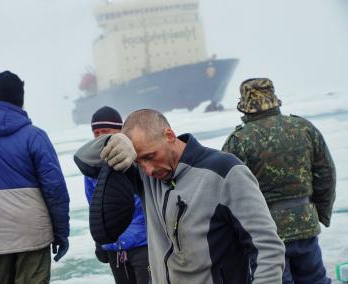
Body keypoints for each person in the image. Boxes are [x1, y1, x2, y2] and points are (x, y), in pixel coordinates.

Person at [74, 109, 285, 284]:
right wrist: (112, 141)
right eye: (139, 162)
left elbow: (267, 247)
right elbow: (85, 161)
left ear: (169, 135)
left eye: (150, 156)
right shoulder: (145, 178)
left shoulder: (225, 173)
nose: (148, 170)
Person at [0, 71, 70, 284]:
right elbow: (54, 189)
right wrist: (61, 232)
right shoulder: (34, 136)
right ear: (20, 98)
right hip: (33, 234)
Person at [222, 78, 336, 284]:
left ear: (245, 105)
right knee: (315, 280)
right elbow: (326, 175)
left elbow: (227, 191)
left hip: (264, 232)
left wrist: (235, 234)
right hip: (305, 224)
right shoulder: (304, 128)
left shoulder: (238, 141)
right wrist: (319, 214)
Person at [85, 106, 150, 284]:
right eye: (96, 132)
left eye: (106, 131)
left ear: (120, 131)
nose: (100, 137)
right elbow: (94, 205)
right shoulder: (92, 168)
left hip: (143, 243)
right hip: (114, 247)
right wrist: (99, 241)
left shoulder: (138, 160)